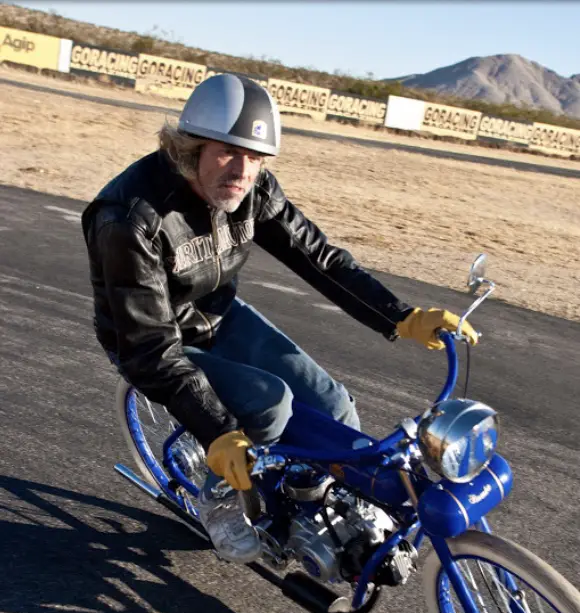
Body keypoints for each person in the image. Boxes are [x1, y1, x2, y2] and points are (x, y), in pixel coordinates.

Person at [82, 73, 477, 564]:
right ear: (190, 147)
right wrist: (217, 432)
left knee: (334, 405)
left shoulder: (253, 190)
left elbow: (320, 259)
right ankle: (218, 497)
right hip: (148, 338)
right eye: (229, 152)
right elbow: (148, 346)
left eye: (256, 157)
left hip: (218, 314)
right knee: (268, 405)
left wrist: (400, 316)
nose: (242, 171)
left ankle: (318, 503)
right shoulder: (129, 217)